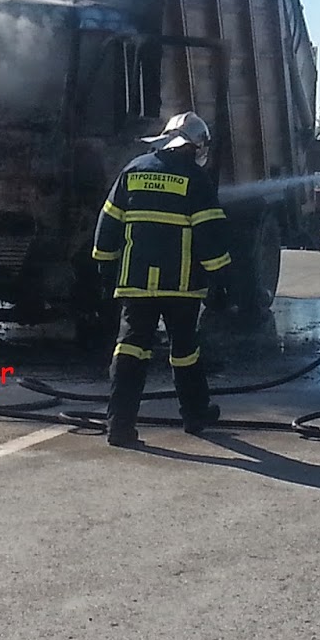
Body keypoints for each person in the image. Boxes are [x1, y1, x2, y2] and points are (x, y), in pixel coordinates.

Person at [91, 111, 231, 447]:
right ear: (193, 146)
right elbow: (210, 236)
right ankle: (194, 415)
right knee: (185, 349)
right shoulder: (196, 181)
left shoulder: (133, 170)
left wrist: (105, 266)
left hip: (136, 283)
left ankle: (119, 426)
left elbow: (107, 223)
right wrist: (221, 281)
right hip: (181, 286)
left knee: (130, 349)